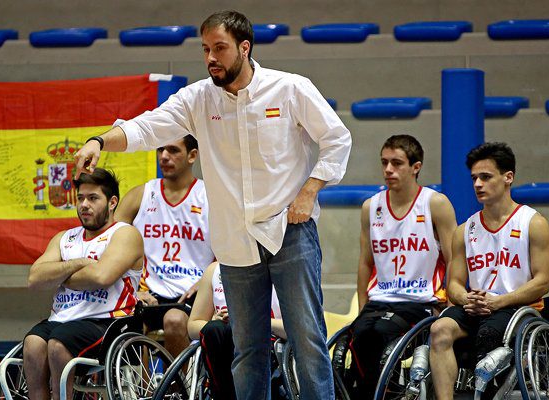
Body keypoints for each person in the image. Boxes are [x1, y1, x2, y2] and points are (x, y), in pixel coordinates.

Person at [72, 10, 351, 399]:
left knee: (307, 340)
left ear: (244, 47)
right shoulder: (198, 98)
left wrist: (310, 191)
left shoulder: (290, 88)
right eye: (205, 49)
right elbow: (146, 127)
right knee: (246, 349)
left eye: (220, 48)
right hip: (235, 242)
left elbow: (337, 138)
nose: (211, 58)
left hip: (289, 232)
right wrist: (99, 141)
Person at [428, 142, 549, 399]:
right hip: (476, 307)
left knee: (488, 334)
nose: (478, 184)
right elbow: (454, 284)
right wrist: (467, 298)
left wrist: (499, 302)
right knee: (439, 329)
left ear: (508, 177)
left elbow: (542, 282)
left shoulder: (533, 223)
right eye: (474, 178)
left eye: (485, 177)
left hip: (517, 308)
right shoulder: (465, 230)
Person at [345, 134, 456, 398]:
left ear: (416, 167)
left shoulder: (435, 204)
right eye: (384, 162)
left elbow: (454, 258)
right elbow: (365, 261)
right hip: (379, 300)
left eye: (396, 163)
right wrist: (362, 307)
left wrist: (451, 307)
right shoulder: (371, 207)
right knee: (355, 337)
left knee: (378, 336)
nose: (388, 169)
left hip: (419, 301)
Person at [24, 168, 143, 400]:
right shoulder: (64, 238)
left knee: (58, 344)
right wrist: (78, 264)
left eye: (93, 198)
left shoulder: (125, 234)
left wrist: (58, 275)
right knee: (32, 344)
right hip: (62, 318)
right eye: (80, 198)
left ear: (112, 202)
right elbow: (35, 279)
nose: (84, 205)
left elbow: (101, 277)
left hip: (108, 321)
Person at [115, 135, 213, 358]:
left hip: (195, 293)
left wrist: (206, 282)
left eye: (173, 150)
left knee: (174, 320)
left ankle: (179, 381)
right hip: (148, 293)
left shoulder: (209, 197)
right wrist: (132, 289)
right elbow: (109, 246)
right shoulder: (140, 196)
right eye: (161, 150)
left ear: (192, 156)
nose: (164, 156)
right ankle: (143, 382)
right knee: (124, 324)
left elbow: (232, 248)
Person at [187, 261, 286, 400]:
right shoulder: (214, 270)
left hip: (266, 343)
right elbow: (192, 326)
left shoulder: (281, 269)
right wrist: (214, 320)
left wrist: (255, 322)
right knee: (215, 329)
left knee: (240, 332)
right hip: (222, 342)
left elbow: (293, 330)